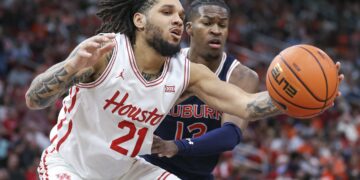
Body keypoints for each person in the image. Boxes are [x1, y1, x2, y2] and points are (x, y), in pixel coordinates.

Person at [24, 0, 342, 179]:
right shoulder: (106, 52)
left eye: (179, 14)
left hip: (127, 171)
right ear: (139, 20)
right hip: (70, 167)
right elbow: (34, 98)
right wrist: (68, 68)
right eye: (166, 12)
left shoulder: (188, 73)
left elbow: (247, 106)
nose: (177, 20)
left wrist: (303, 99)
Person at [142, 0, 259, 179]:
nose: (216, 30)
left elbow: (230, 135)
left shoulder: (241, 76)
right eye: (207, 23)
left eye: (222, 25)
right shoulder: (165, 61)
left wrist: (176, 146)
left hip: (198, 174)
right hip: (150, 165)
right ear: (189, 28)